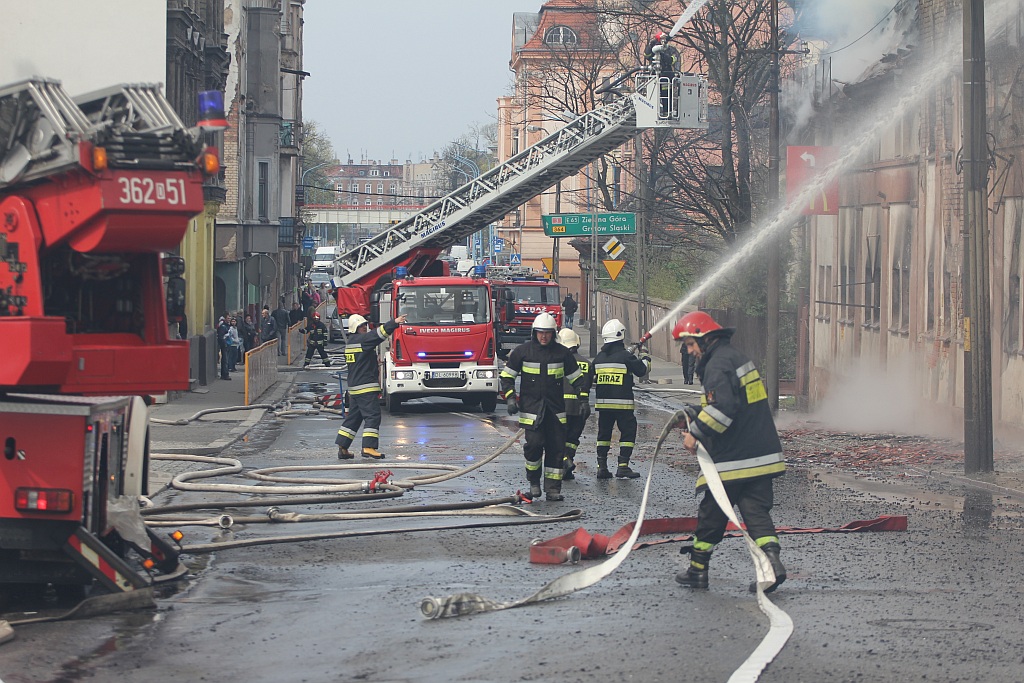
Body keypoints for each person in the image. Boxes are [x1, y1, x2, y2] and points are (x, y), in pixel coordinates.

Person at [671, 311, 787, 592]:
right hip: (760, 454)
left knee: (711, 514)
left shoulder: (717, 366)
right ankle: (772, 565)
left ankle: (697, 571)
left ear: (704, 338)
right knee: (756, 512)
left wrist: (695, 434)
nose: (689, 352)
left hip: (733, 459)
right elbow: (735, 405)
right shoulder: (734, 358)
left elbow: (724, 410)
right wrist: (692, 413)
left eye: (689, 344)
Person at [499, 312, 584, 501]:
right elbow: (506, 377)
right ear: (534, 333)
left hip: (555, 412)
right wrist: (511, 398)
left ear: (553, 334)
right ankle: (534, 483)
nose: (543, 336)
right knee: (534, 447)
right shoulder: (522, 352)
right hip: (531, 411)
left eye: (547, 333)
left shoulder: (562, 354)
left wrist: (584, 400)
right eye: (540, 333)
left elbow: (578, 379)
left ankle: (553, 489)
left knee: (556, 450)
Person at [335, 312, 407, 459]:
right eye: (362, 326)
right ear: (356, 327)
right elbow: (378, 334)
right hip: (365, 387)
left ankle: (343, 447)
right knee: (372, 416)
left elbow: (360, 362)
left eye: (365, 325)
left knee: (353, 418)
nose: (365, 328)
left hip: (354, 388)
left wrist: (374, 362)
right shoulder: (362, 340)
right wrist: (394, 322)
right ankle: (368, 447)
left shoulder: (350, 343)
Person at [593, 319, 651, 479]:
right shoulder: (626, 357)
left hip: (603, 407)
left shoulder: (599, 358)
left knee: (603, 435)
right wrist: (644, 354)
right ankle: (623, 466)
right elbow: (642, 370)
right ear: (620, 336)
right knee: (628, 433)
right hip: (623, 406)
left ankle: (602, 467)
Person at [556, 328, 592, 481]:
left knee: (558, 439)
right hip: (579, 408)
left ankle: (565, 462)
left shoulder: (558, 361)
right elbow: (588, 386)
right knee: (572, 439)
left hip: (560, 407)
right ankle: (568, 464)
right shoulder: (587, 364)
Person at [216, 316, 231, 380]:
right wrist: (224, 343)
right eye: (228, 318)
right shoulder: (223, 326)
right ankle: (225, 374)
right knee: (225, 360)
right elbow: (221, 337)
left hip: (227, 344)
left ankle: (224, 374)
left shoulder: (227, 325)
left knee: (225, 359)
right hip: (225, 345)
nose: (229, 319)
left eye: (230, 318)